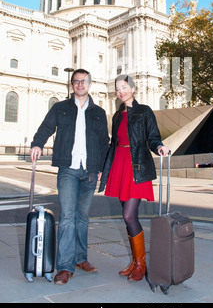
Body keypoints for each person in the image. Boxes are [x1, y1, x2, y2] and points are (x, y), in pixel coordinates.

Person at [30, 69, 109, 285]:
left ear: (89, 84)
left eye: (83, 81)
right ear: (72, 84)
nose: (80, 84)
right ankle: (64, 267)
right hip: (68, 169)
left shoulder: (99, 113)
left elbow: (104, 142)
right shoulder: (60, 107)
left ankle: (80, 258)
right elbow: (46, 127)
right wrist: (37, 143)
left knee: (83, 217)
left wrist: (102, 167)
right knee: (67, 217)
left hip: (90, 170)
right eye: (76, 81)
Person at [99, 74, 169, 281]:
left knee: (129, 216)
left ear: (132, 88)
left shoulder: (144, 111)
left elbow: (153, 136)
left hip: (136, 165)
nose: (121, 91)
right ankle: (135, 262)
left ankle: (141, 264)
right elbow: (113, 145)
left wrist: (159, 147)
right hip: (119, 164)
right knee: (129, 218)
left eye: (124, 87)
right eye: (118, 88)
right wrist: (106, 168)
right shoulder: (117, 115)